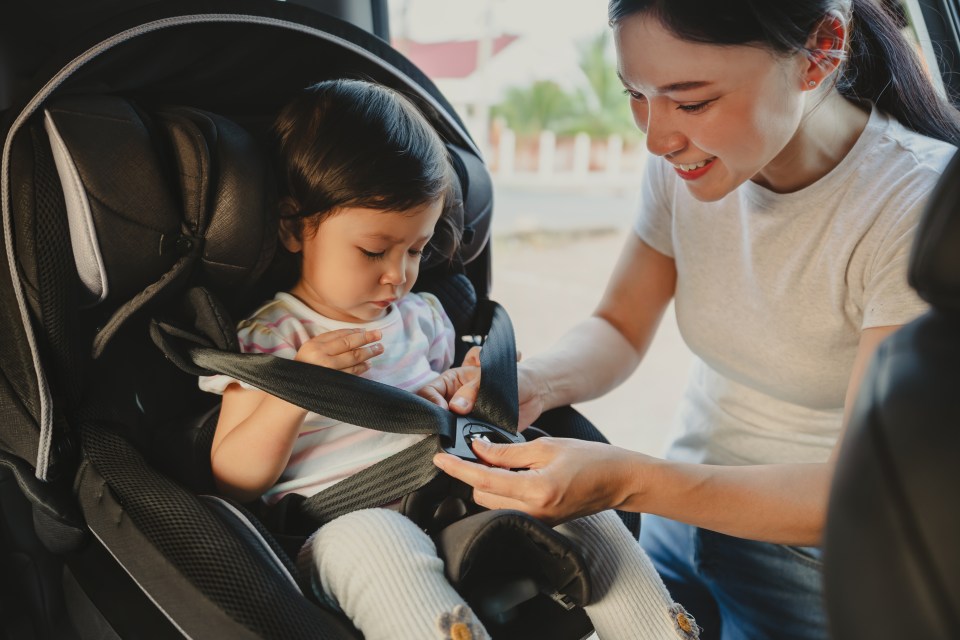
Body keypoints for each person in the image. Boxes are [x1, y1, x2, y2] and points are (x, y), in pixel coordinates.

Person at [425, 2, 960, 639]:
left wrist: (625, 480)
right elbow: (619, 327)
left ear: (821, 51)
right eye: (636, 95)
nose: (655, 137)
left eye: (692, 101)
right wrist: (532, 380)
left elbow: (851, 491)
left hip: (815, 561)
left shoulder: (914, 209)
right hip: (679, 520)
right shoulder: (687, 165)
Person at [199, 79, 698, 640]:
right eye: (374, 250)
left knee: (585, 507)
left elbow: (453, 397)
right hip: (346, 522)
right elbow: (234, 477)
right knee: (382, 546)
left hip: (459, 495)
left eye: (417, 249)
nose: (399, 274)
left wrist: (464, 388)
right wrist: (293, 393)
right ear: (295, 226)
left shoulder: (426, 316)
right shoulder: (273, 336)